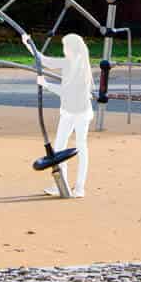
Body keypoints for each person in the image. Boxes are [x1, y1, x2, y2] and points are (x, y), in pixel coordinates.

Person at [32, 32, 94, 197]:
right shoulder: (70, 62)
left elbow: (67, 92)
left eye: (65, 47)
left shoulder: (79, 66)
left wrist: (46, 84)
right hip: (68, 112)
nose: (64, 49)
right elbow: (44, 60)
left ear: (72, 49)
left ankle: (80, 187)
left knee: (80, 146)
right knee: (59, 147)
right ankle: (61, 183)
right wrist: (28, 43)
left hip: (80, 112)